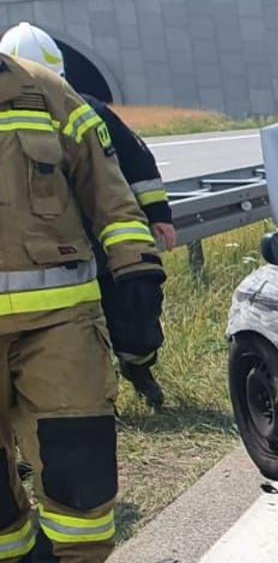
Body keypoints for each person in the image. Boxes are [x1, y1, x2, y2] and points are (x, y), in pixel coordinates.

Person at [0, 49, 165, 563]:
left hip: (60, 320)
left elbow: (108, 189)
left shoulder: (44, 92)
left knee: (77, 450)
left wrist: (136, 269)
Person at [1, 22, 170, 408]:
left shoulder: (82, 108)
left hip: (95, 238)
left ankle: (137, 368)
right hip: (50, 249)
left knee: (128, 316)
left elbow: (133, 160)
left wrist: (157, 214)